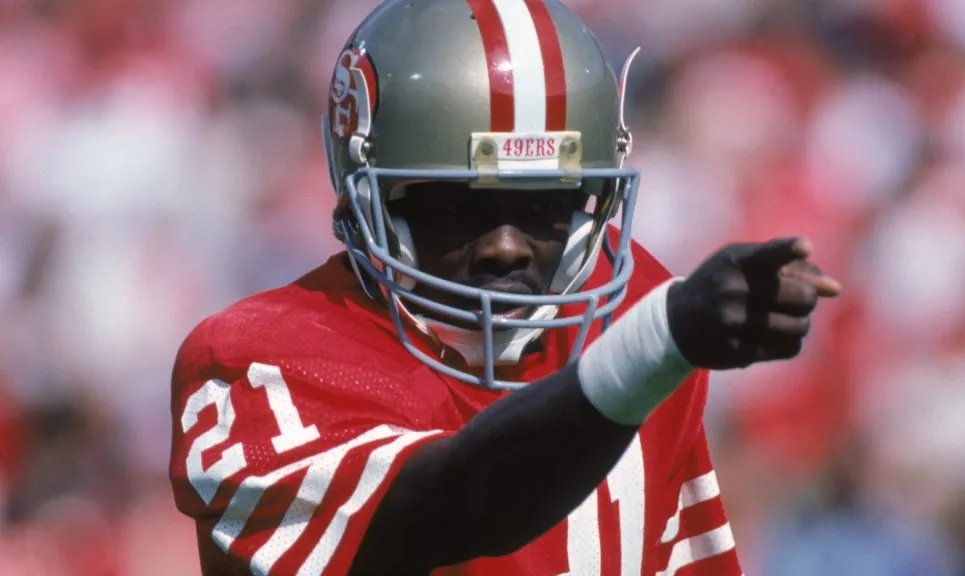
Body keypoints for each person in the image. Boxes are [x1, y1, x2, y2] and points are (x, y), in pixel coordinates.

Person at [168, 0, 841, 574]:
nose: (507, 247)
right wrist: (654, 345)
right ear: (365, 190)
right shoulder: (255, 361)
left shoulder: (634, 305)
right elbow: (462, 503)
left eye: (547, 205)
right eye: (459, 207)